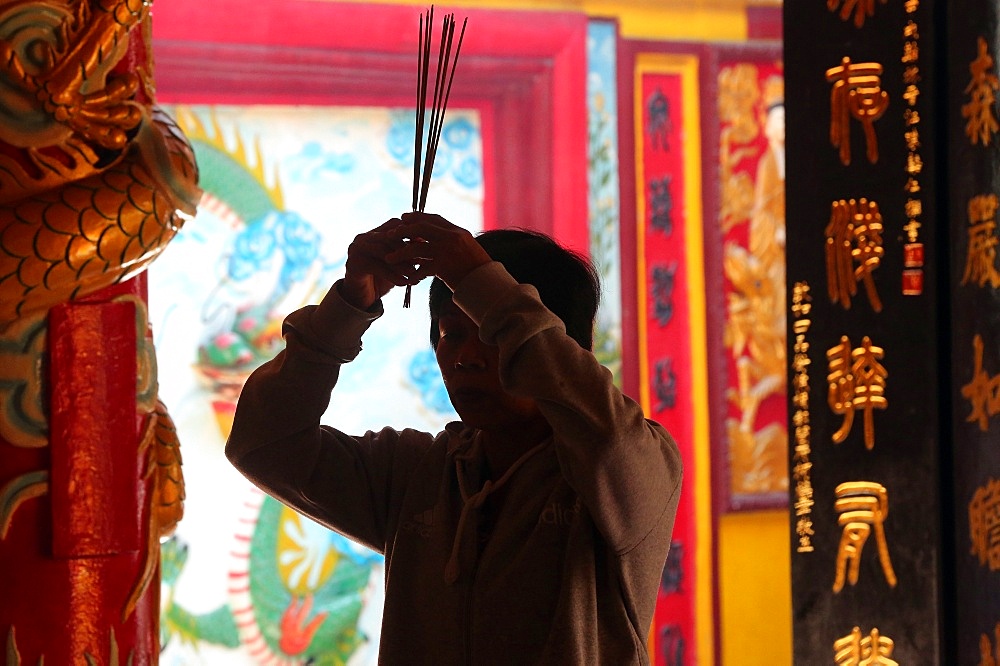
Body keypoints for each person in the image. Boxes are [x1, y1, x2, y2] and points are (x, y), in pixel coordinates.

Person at [225, 211, 683, 664]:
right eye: (449, 333)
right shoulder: (415, 476)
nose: (464, 357)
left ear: (561, 344)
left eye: (491, 331)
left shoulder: (632, 468)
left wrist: (477, 278)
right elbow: (264, 443)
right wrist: (345, 308)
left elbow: (606, 442)